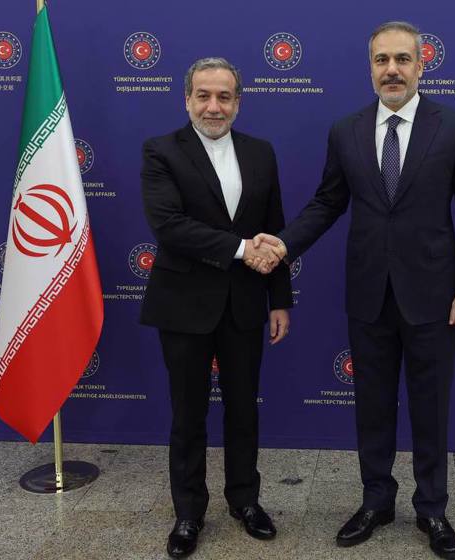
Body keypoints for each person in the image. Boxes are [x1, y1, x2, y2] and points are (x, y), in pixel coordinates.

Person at [252, 21, 455, 560]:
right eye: (382, 60)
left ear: (422, 65)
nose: (392, 70)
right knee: (373, 406)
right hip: (367, 294)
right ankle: (376, 500)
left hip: (434, 296)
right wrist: (284, 245)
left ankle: (432, 508)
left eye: (402, 59)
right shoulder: (347, 130)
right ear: (370, 68)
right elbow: (327, 202)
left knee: (430, 408)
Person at [139, 57, 292, 559]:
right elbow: (169, 226)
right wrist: (242, 249)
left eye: (224, 96)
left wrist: (280, 301)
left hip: (246, 304)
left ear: (238, 102)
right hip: (183, 305)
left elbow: (275, 228)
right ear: (186, 99)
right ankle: (188, 512)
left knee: (244, 409)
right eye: (203, 95)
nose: (213, 106)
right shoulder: (162, 151)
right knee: (188, 412)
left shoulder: (261, 153)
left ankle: (245, 501)